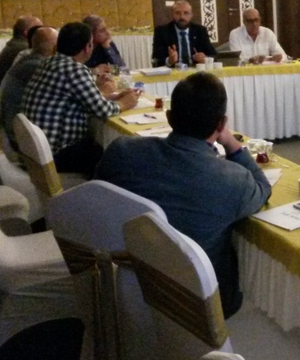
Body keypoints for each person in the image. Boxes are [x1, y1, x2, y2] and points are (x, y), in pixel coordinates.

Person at [95, 72, 271, 318]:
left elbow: (98, 196)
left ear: (169, 117)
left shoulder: (121, 151)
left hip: (127, 280)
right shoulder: (232, 180)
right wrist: (231, 143)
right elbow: (263, 188)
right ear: (221, 125)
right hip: (197, 301)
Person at [22, 22, 139, 178]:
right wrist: (125, 103)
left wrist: (114, 96)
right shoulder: (74, 69)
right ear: (87, 47)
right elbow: (102, 110)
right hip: (57, 152)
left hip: (37, 151)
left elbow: (78, 98)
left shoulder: (49, 62)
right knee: (116, 154)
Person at [0, 26, 58, 149]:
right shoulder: (36, 66)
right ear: (53, 46)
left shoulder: (29, 60)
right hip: (22, 136)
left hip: (17, 125)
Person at [152, 0, 217, 67]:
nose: (182, 17)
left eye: (186, 13)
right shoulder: (162, 31)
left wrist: (205, 58)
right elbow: (156, 60)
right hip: (173, 72)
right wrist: (169, 60)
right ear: (172, 15)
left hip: (196, 71)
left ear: (191, 15)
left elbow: (214, 55)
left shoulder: (200, 30)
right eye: (177, 13)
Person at [0, 15, 42, 93]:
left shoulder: (15, 44)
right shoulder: (24, 50)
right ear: (27, 32)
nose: (42, 32)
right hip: (3, 94)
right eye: (39, 29)